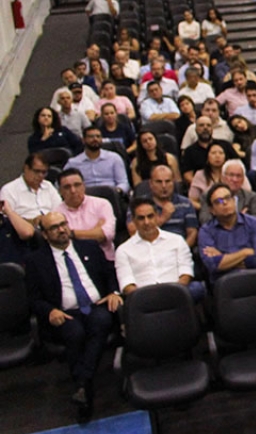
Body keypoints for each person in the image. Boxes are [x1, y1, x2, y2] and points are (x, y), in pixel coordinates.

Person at [26, 211, 121, 420]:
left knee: (102, 320)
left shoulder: (88, 247)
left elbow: (110, 273)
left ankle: (82, 384)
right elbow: (33, 299)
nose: (61, 230)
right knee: (75, 333)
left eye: (63, 224)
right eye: (54, 227)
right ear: (44, 234)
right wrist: (49, 311)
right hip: (65, 313)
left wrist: (114, 293)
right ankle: (85, 386)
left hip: (95, 306)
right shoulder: (36, 260)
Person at [116, 198, 203, 302]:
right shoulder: (123, 250)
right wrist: (149, 299)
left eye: (150, 216)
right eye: (141, 218)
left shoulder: (177, 240)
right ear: (133, 221)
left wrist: (172, 295)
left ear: (157, 216)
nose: (147, 222)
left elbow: (186, 273)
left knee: (197, 288)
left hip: (176, 294)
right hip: (144, 300)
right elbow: (127, 285)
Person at [198, 183, 256, 283]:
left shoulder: (253, 223)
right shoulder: (206, 231)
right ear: (212, 210)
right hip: (225, 283)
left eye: (227, 198)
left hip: (254, 278)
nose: (224, 202)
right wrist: (246, 252)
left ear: (234, 201)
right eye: (218, 201)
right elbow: (213, 265)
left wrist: (224, 258)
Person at [128, 165, 198, 247]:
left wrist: (182, 250)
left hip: (177, 249)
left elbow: (192, 233)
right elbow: (132, 231)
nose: (164, 186)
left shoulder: (185, 203)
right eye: (159, 182)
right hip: (147, 249)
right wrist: (163, 218)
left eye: (168, 181)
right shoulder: (138, 204)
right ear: (151, 184)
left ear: (173, 182)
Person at [55, 168, 116, 261]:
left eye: (77, 185)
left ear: (84, 186)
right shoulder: (56, 213)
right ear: (60, 191)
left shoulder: (102, 204)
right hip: (76, 261)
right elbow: (62, 243)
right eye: (67, 187)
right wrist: (95, 231)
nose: (73, 190)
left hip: (105, 259)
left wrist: (72, 233)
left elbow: (106, 235)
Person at [1, 153, 63, 225]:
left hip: (52, 227)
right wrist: (32, 221)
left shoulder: (48, 186)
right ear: (26, 168)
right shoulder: (9, 190)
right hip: (24, 230)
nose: (40, 176)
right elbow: (6, 220)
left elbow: (60, 210)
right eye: (37, 171)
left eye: (43, 172)